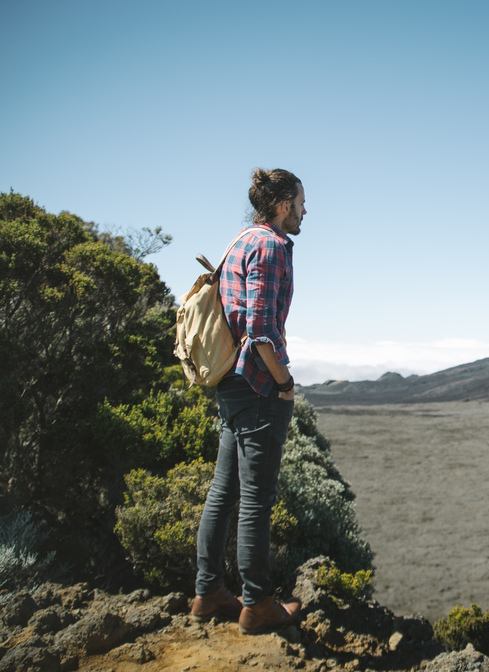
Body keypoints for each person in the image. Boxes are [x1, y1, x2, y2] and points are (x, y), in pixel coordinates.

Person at [190, 168, 306, 634]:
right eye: (300, 201)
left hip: (230, 385)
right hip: (258, 387)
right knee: (256, 500)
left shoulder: (238, 242)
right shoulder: (271, 246)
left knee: (224, 492)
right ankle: (257, 605)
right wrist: (283, 383)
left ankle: (208, 592)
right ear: (281, 205)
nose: (305, 210)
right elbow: (260, 329)